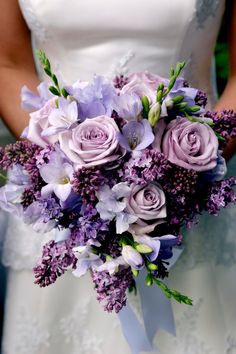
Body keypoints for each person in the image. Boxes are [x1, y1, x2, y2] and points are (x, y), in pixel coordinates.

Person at [0, 0, 236, 353]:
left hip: (192, 206)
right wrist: (64, 165)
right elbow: (8, 63)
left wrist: (185, 169)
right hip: (61, 213)